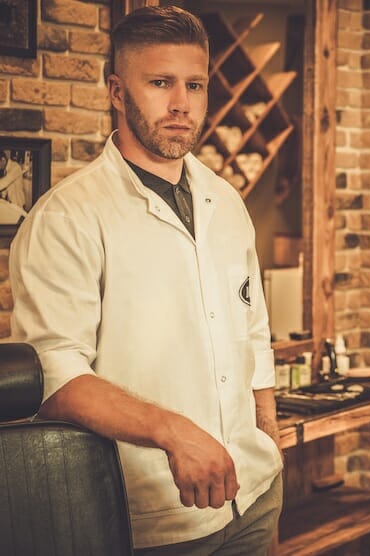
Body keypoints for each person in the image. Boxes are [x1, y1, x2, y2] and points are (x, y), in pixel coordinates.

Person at [9, 6, 283, 553]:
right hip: (153, 515)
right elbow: (54, 376)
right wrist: (173, 432)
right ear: (116, 90)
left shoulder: (226, 201)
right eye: (160, 83)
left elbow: (253, 331)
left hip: (254, 496)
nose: (181, 103)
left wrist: (270, 446)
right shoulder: (67, 216)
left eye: (195, 85)